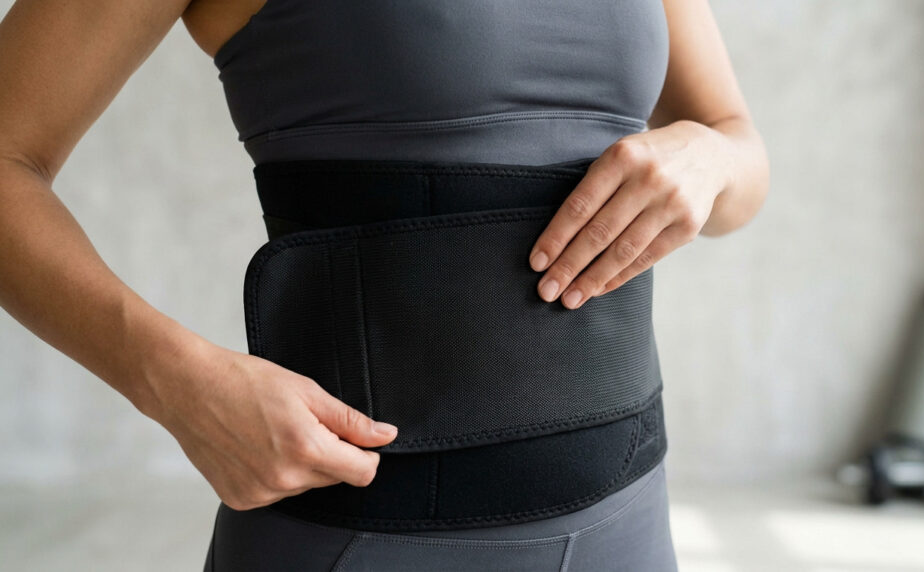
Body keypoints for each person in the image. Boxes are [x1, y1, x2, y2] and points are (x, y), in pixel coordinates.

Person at [0, 0, 770, 570]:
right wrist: (174, 381)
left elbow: (739, 149)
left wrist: (709, 157)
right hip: (364, 535)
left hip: (629, 516)